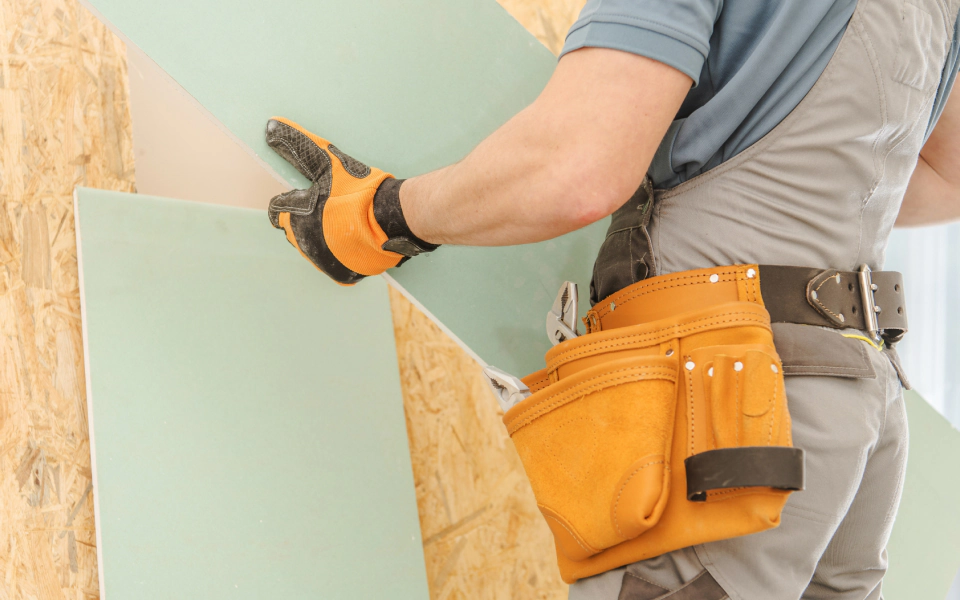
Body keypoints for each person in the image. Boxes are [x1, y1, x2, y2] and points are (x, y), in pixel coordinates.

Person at [264, 0, 960, 597]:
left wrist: (384, 216)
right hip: (853, 420)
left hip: (726, 421)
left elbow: (579, 170)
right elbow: (945, 177)